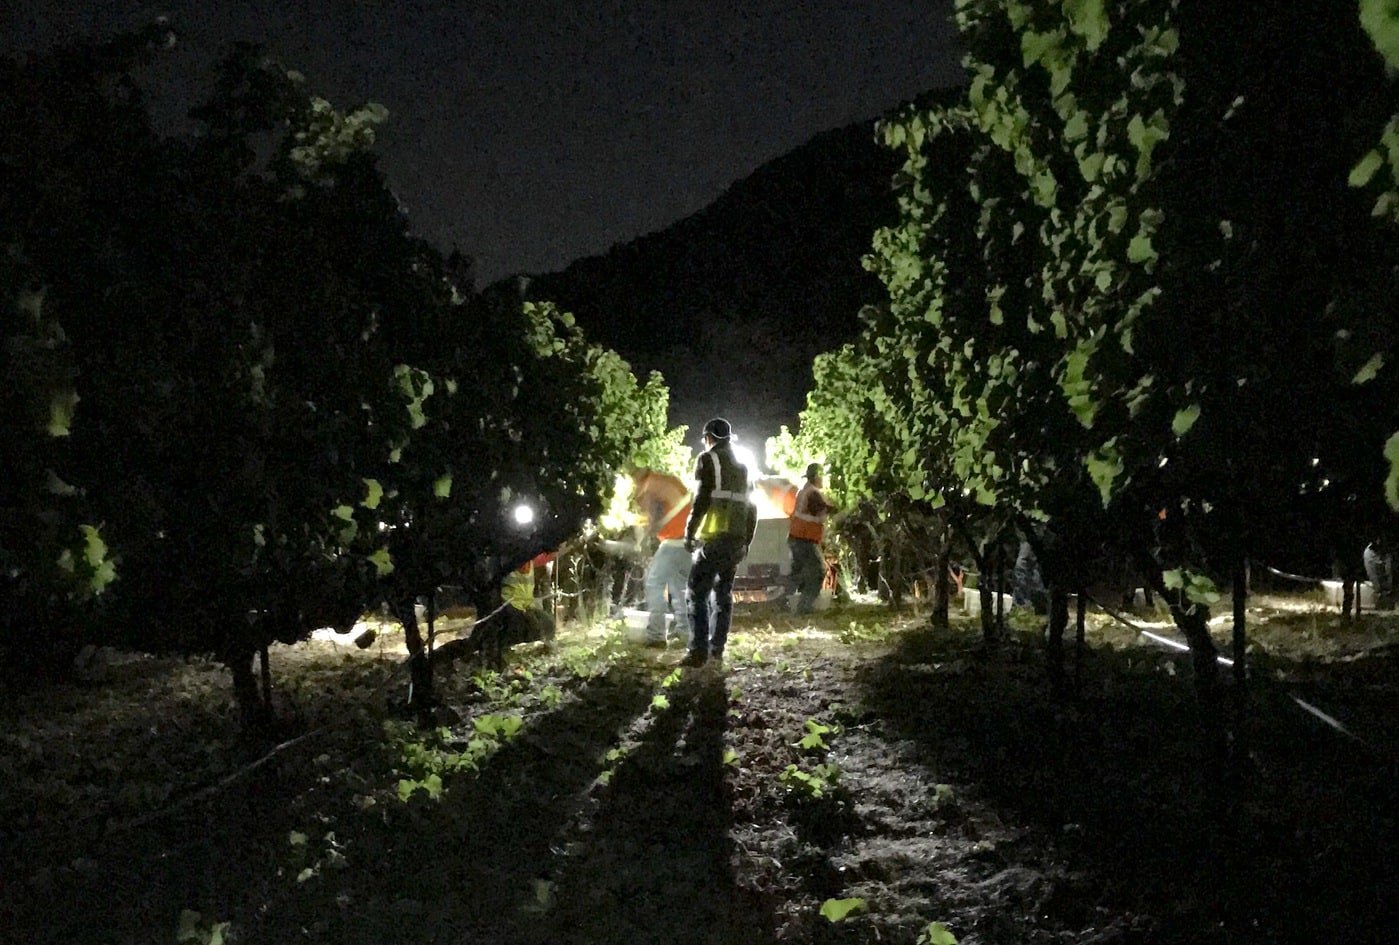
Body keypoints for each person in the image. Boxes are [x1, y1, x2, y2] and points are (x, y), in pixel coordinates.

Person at [682, 418, 757, 667]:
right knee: (723, 594)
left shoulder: (707, 460)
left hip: (713, 539)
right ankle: (717, 649)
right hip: (736, 540)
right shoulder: (744, 467)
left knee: (696, 593)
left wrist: (689, 533)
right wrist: (747, 541)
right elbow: (752, 508)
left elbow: (701, 501)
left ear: (708, 438)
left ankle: (698, 652)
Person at [631, 467, 693, 647]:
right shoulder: (670, 480)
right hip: (687, 542)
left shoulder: (651, 486)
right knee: (679, 587)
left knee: (654, 584)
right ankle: (685, 632)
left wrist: (647, 529)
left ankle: (656, 635)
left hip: (672, 542)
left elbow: (654, 515)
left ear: (638, 478)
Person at [788, 462, 836, 614]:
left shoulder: (805, 491)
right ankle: (804, 608)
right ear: (817, 477)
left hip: (797, 537)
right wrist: (841, 509)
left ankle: (782, 604)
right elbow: (820, 509)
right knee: (818, 571)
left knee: (798, 573)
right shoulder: (813, 493)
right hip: (805, 538)